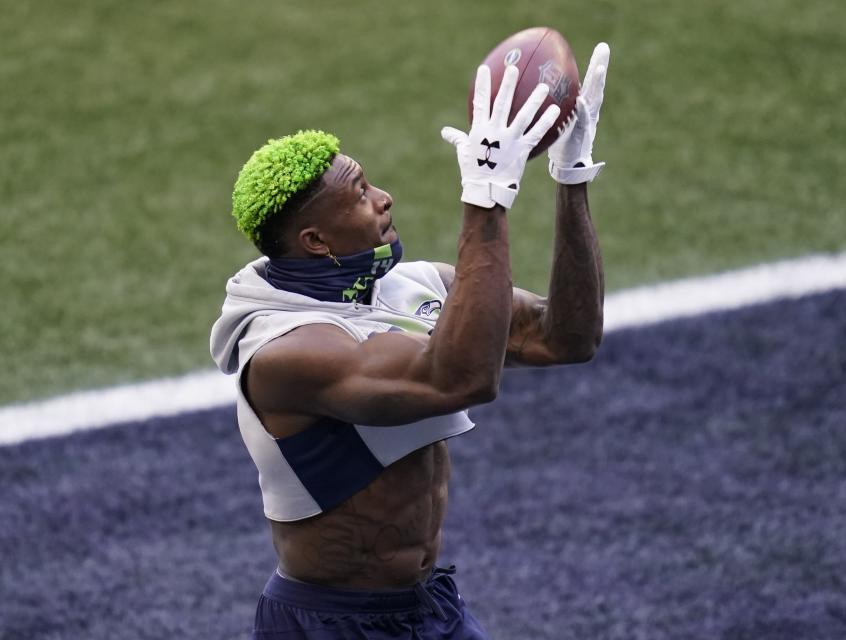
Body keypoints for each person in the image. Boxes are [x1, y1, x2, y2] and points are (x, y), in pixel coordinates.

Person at [210, 43, 610, 640]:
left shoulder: (404, 285)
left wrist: (570, 180)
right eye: (361, 191)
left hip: (429, 607)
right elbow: (459, 380)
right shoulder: (285, 351)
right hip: (332, 625)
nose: (384, 197)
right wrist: (485, 199)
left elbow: (565, 338)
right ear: (317, 241)